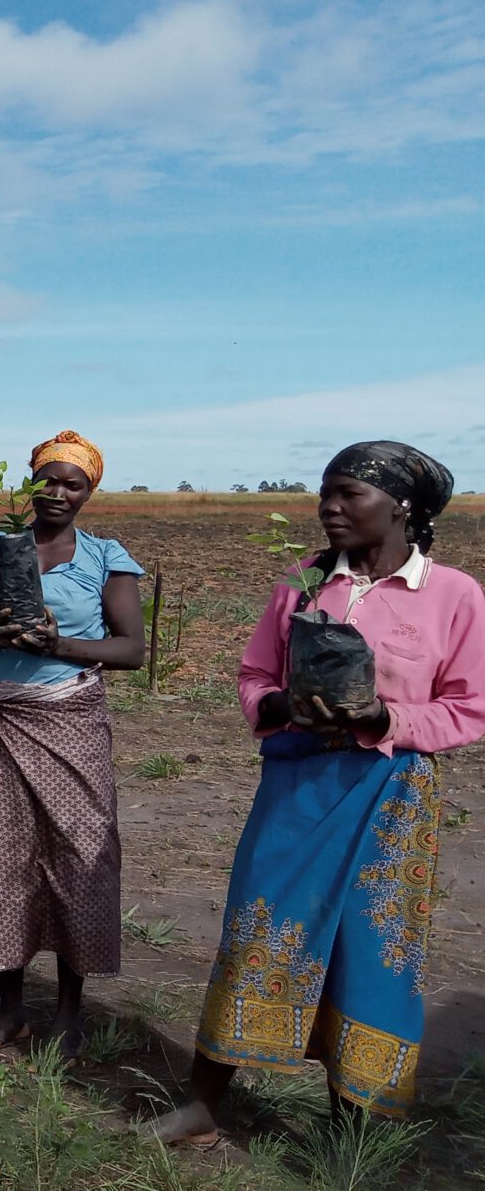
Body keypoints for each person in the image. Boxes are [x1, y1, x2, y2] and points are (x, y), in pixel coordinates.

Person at [146, 442, 485, 1144]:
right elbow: (253, 676)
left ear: (402, 507)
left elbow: (470, 706)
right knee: (259, 928)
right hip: (297, 787)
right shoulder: (301, 584)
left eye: (347, 494)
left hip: (388, 797)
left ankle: (353, 1130)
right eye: (324, 494)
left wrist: (385, 718)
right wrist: (280, 708)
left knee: (373, 949)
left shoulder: (453, 595)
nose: (329, 508)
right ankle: (205, 1104)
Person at [0, 430, 145, 1059]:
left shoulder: (105, 559)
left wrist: (56, 644)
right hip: (2, 720)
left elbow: (131, 650)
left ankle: (68, 1009)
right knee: (0, 862)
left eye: (74, 484)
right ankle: (8, 1010)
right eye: (48, 481)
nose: (58, 494)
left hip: (69, 722)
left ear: (91, 491)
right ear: (29, 485)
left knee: (77, 857)